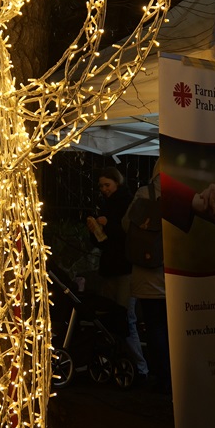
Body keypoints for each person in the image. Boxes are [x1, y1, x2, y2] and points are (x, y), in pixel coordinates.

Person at [86, 166, 150, 381]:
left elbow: (127, 234)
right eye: (101, 186)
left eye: (107, 185)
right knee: (114, 317)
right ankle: (123, 361)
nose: (104, 189)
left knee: (125, 317)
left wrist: (108, 225)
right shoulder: (108, 204)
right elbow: (104, 242)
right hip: (111, 267)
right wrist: (95, 231)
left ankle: (140, 367)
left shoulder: (127, 203)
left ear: (117, 183)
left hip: (124, 269)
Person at [121, 160, 170, 393]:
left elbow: (125, 225)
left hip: (146, 276)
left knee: (154, 328)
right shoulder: (184, 196)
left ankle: (163, 379)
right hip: (174, 276)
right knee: (174, 329)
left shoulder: (143, 193)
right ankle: (178, 378)